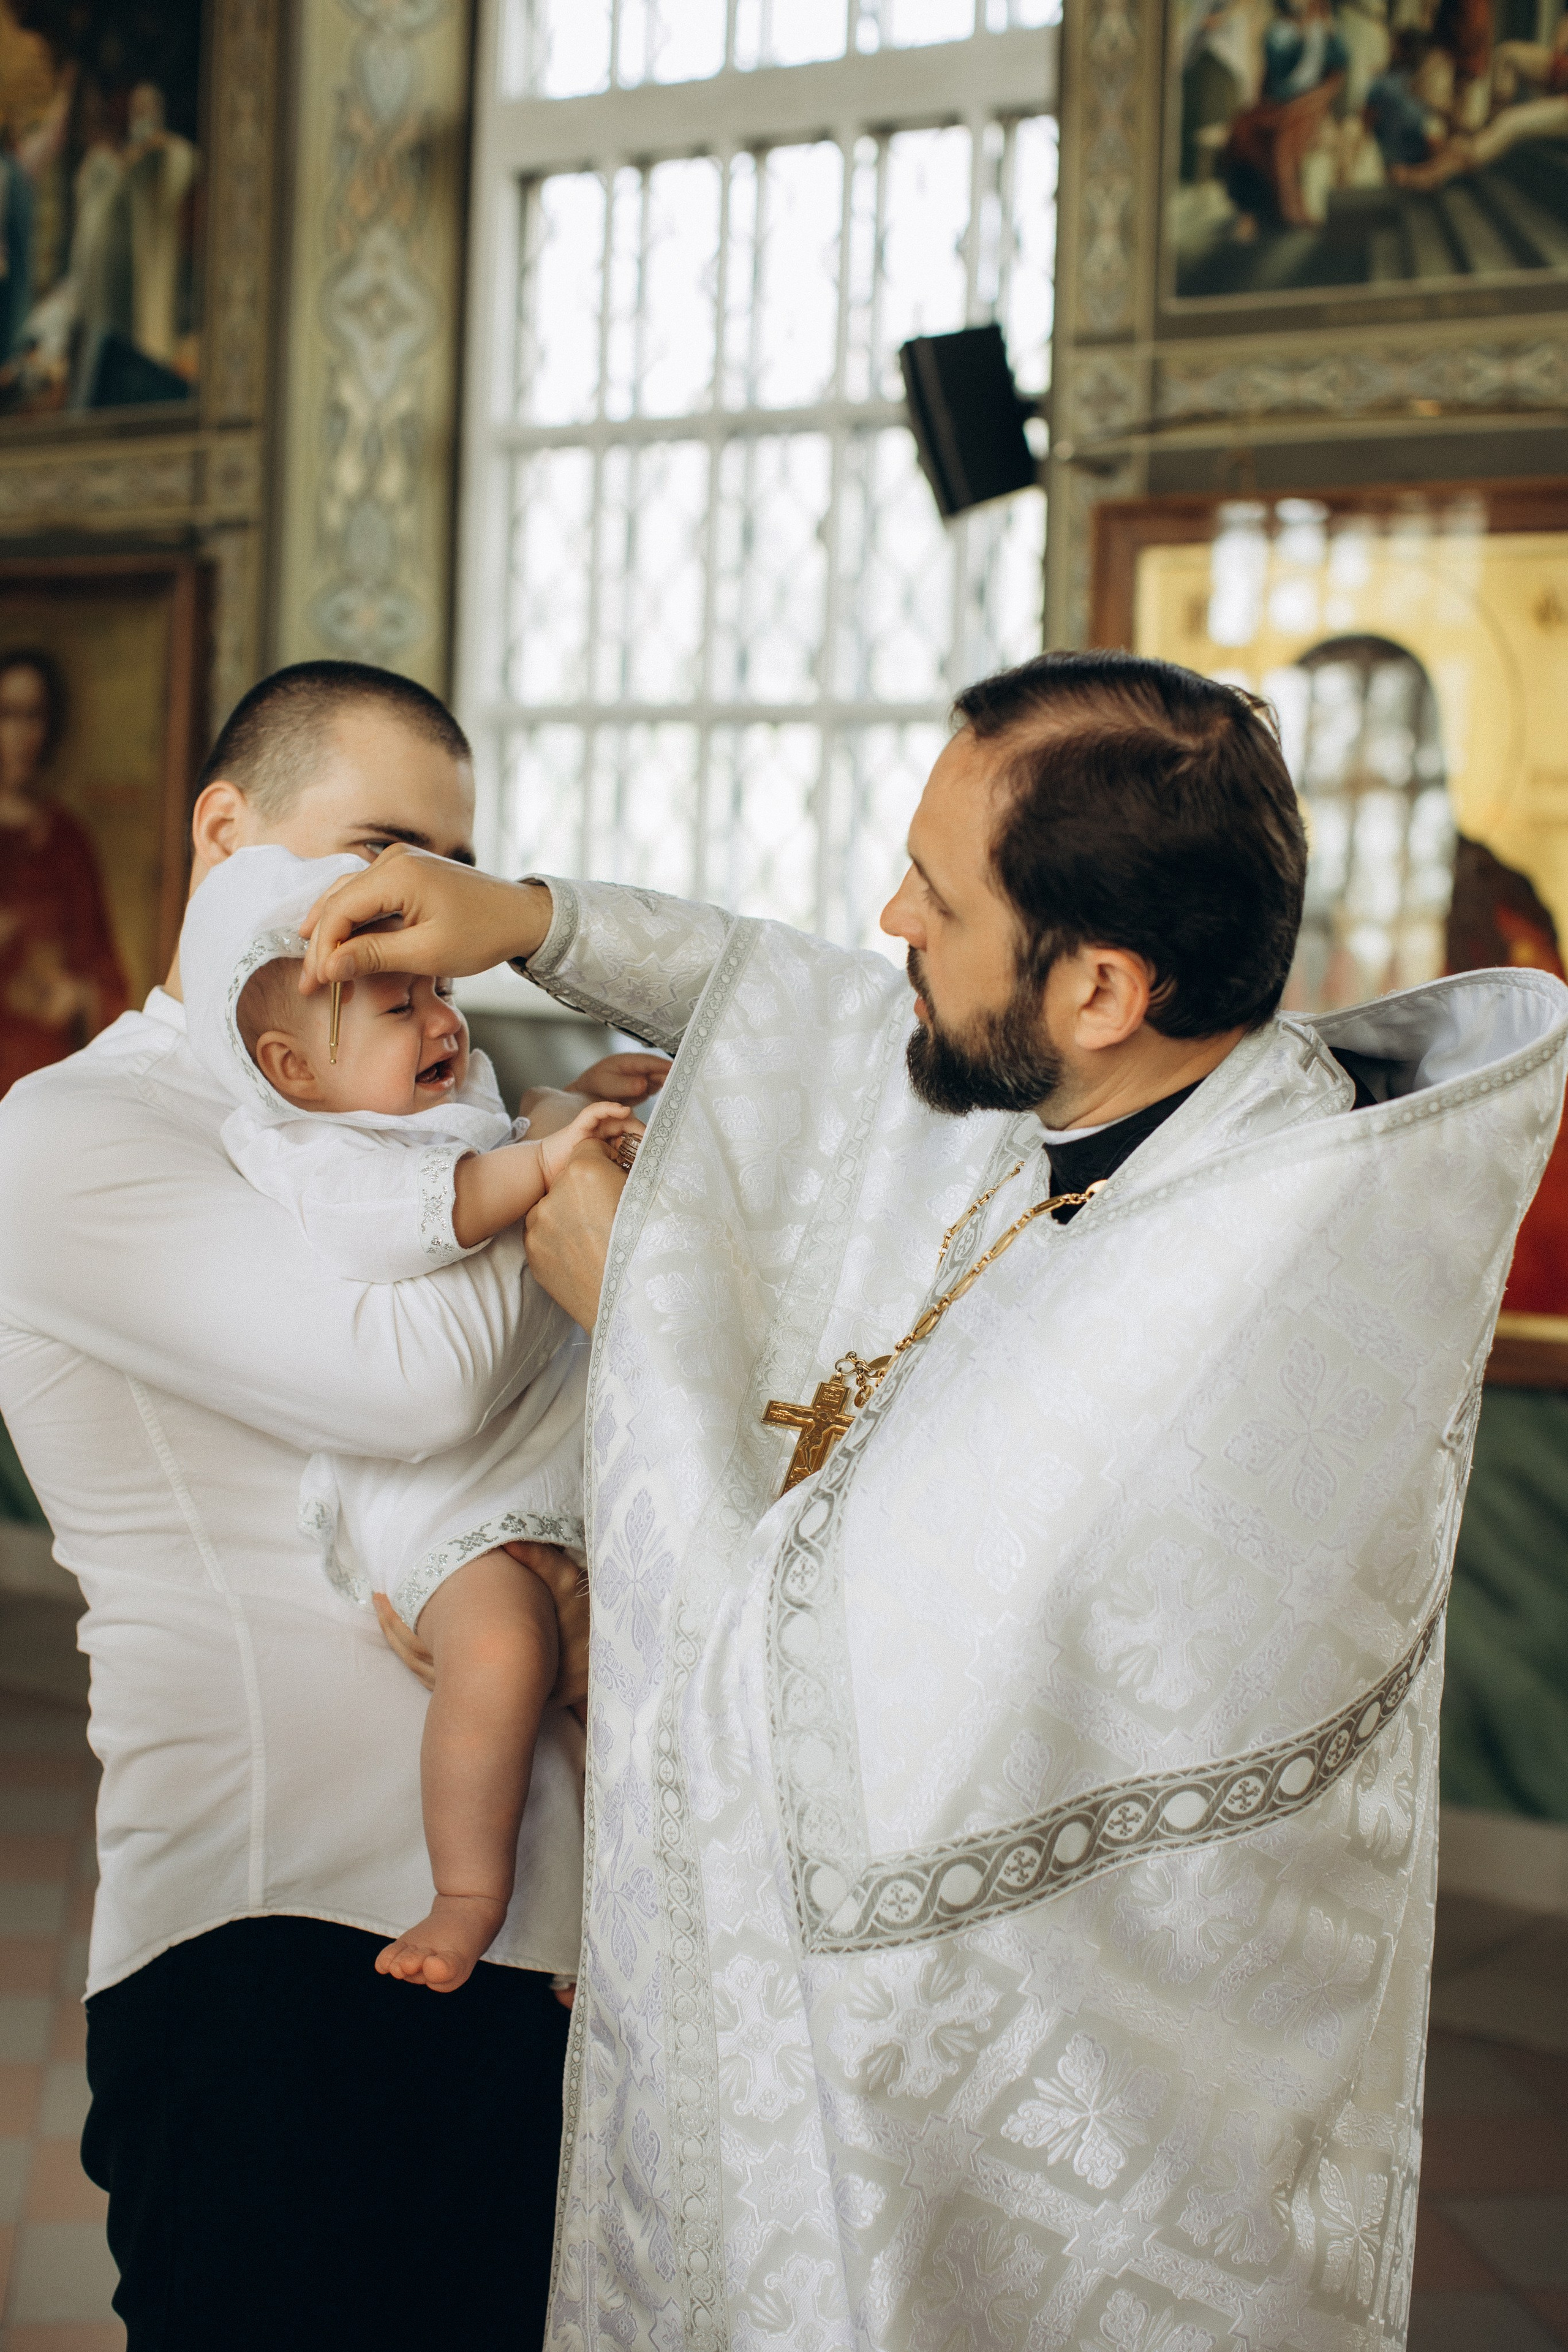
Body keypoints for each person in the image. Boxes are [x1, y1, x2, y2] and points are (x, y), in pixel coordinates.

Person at [304, 649, 1568, 2350]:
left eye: (937, 889)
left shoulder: (1218, 1300)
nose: (889, 913)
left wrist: (643, 1296)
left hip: (1068, 2172)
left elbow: (821, 1705)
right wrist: (536, 917)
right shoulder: (1163, 1098)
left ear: (1104, 986)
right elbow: (834, 1023)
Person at [0, 659, 666, 2351]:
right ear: (227, 835)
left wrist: (542, 1163)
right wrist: (556, 1176)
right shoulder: (73, 1137)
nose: (429, 916)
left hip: (548, 1930)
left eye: (454, 869)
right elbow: (420, 1385)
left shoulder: (438, 1097)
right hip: (271, 1937)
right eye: (381, 845)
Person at [181, 842, 638, 1992]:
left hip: (547, 1456)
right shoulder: (318, 1158)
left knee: (618, 1692)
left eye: (438, 992)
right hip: (446, 1495)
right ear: (291, 1069)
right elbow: (443, 1205)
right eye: (399, 1006)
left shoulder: (442, 1101)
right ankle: (468, 1890)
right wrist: (550, 1162)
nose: (443, 1024)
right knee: (501, 1653)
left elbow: (490, 1139)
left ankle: (608, 1916)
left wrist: (572, 1105)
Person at [0, 645, 127, 1098]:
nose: (19, 734)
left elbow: (103, 965)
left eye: (32, 716)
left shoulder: (67, 836)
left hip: (44, 1069)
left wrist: (79, 996)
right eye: (7, 714)